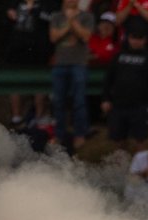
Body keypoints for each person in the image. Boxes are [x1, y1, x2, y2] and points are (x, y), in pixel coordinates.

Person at [100, 26, 148, 151]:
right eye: (133, 38)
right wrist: (106, 99)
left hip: (139, 106)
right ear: (128, 38)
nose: (136, 41)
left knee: (141, 141)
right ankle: (120, 169)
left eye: (139, 38)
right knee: (118, 141)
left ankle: (140, 170)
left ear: (144, 40)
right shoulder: (118, 56)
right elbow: (108, 79)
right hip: (118, 105)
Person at [49, 0, 94, 152]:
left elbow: (85, 37)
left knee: (79, 101)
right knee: (58, 101)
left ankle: (80, 134)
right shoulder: (56, 16)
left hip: (79, 64)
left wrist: (72, 21)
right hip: (60, 64)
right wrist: (69, 22)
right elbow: (54, 37)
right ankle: (59, 135)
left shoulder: (87, 16)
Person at [5, 0, 52, 127]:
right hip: (17, 49)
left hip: (38, 49)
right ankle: (16, 117)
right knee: (15, 81)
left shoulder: (45, 4)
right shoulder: (15, 4)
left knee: (39, 82)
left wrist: (36, 12)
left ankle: (39, 116)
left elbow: (51, 19)